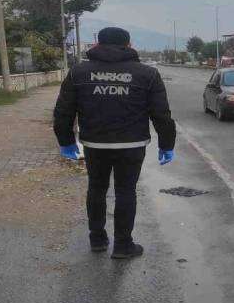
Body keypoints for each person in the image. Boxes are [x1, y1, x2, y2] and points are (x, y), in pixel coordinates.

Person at [53, 27, 176, 259]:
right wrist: (166, 145)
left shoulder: (78, 73)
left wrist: (66, 141)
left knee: (96, 189)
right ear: (128, 45)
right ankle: (123, 245)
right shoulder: (146, 74)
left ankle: (97, 240)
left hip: (94, 144)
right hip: (132, 145)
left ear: (97, 44)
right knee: (126, 191)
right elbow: (161, 114)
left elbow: (63, 112)